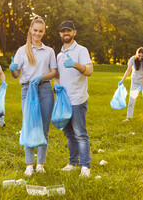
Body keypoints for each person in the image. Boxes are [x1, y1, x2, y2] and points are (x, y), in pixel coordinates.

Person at [9, 16, 57, 176]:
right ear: (30, 30)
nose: (37, 33)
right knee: (29, 126)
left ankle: (40, 164)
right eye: (35, 30)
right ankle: (29, 165)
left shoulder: (49, 51)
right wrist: (12, 69)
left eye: (40, 31)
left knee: (44, 129)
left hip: (45, 90)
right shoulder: (22, 51)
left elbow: (54, 72)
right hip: (27, 91)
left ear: (44, 32)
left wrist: (42, 77)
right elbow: (16, 75)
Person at [54, 20, 93, 178]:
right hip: (64, 101)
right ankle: (73, 163)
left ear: (74, 32)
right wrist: (56, 84)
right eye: (63, 31)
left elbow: (89, 71)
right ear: (60, 34)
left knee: (80, 134)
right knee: (69, 134)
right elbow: (58, 75)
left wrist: (76, 64)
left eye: (69, 31)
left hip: (78, 99)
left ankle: (85, 166)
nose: (66, 33)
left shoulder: (81, 50)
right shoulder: (59, 54)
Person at [119, 47, 143, 122]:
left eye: (142, 56)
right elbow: (128, 70)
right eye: (139, 55)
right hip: (135, 82)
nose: (140, 57)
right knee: (132, 100)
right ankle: (128, 118)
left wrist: (141, 85)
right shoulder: (132, 59)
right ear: (136, 54)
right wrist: (123, 79)